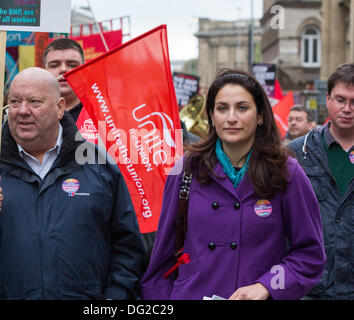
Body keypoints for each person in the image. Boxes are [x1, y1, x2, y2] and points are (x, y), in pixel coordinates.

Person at [0, 67, 145, 300]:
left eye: (34, 102)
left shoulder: (100, 168)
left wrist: (115, 297)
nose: (23, 111)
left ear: (60, 108)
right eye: (14, 102)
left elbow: (128, 248)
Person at [140, 69, 326, 300]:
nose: (231, 118)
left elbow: (309, 254)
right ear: (211, 115)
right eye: (222, 108)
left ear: (259, 116)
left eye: (242, 108)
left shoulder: (286, 172)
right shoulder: (186, 169)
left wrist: (267, 286)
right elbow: (160, 262)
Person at [288, 63, 354, 300]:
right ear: (327, 99)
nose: (347, 108)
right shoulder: (297, 152)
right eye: (340, 99)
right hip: (311, 288)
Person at [44, 38, 85, 121]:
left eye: (72, 65)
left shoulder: (102, 111)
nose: (63, 69)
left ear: (84, 70)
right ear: (44, 71)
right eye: (54, 65)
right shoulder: (30, 112)